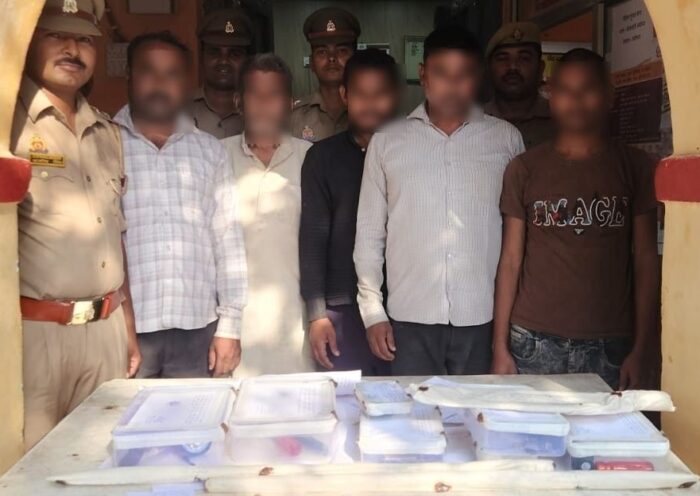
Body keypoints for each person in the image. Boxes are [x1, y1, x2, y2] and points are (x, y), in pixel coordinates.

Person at [354, 26, 525, 376]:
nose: (452, 86)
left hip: (481, 318)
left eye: (463, 75)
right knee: (414, 410)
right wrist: (372, 312)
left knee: (475, 409)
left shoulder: (505, 140)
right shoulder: (387, 142)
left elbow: (518, 236)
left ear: (477, 78)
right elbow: (370, 233)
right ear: (423, 76)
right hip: (409, 319)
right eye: (442, 74)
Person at [11, 0, 141, 449]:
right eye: (57, 35)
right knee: (32, 464)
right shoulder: (9, 127)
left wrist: (127, 330)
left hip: (106, 328)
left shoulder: (107, 132)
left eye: (85, 39)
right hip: (37, 336)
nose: (73, 49)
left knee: (100, 458)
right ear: (29, 42)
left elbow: (114, 237)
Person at [492, 49, 660, 390]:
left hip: (612, 343)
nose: (577, 100)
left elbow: (645, 259)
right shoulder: (524, 169)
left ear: (609, 95)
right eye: (566, 90)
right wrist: (499, 346)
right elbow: (510, 260)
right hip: (533, 340)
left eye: (588, 89)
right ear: (551, 96)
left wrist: (642, 348)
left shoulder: (635, 166)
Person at [116, 32, 247, 379]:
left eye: (172, 74)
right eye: (149, 71)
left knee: (197, 415)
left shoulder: (209, 151)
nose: (160, 84)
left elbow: (228, 241)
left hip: (197, 329)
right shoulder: (104, 143)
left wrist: (230, 326)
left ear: (187, 83)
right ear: (129, 75)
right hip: (126, 329)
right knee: (122, 414)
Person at [301, 49, 400, 374]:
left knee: (403, 396)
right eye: (361, 94)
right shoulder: (322, 158)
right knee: (346, 397)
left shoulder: (411, 156)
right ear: (345, 95)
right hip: (341, 305)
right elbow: (313, 239)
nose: (370, 104)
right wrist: (317, 315)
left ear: (396, 96)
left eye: (380, 94)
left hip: (402, 306)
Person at [222, 54, 314, 376]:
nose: (263, 105)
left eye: (273, 95)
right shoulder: (216, 156)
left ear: (289, 104)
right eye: (255, 94)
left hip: (295, 328)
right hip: (233, 329)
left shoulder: (311, 159)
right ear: (239, 102)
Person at [290, 7, 360, 142]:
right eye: (322, 52)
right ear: (312, 62)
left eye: (342, 51)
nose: (332, 58)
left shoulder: (371, 113)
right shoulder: (293, 116)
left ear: (355, 59)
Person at [484, 22, 554, 149]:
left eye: (524, 58)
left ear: (540, 68)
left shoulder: (563, 122)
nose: (513, 66)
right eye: (502, 58)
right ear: (489, 69)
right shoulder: (470, 123)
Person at [191, 7, 254, 138]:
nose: (224, 61)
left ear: (247, 60)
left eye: (234, 53)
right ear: (201, 57)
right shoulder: (178, 110)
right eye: (214, 52)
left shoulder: (261, 111)